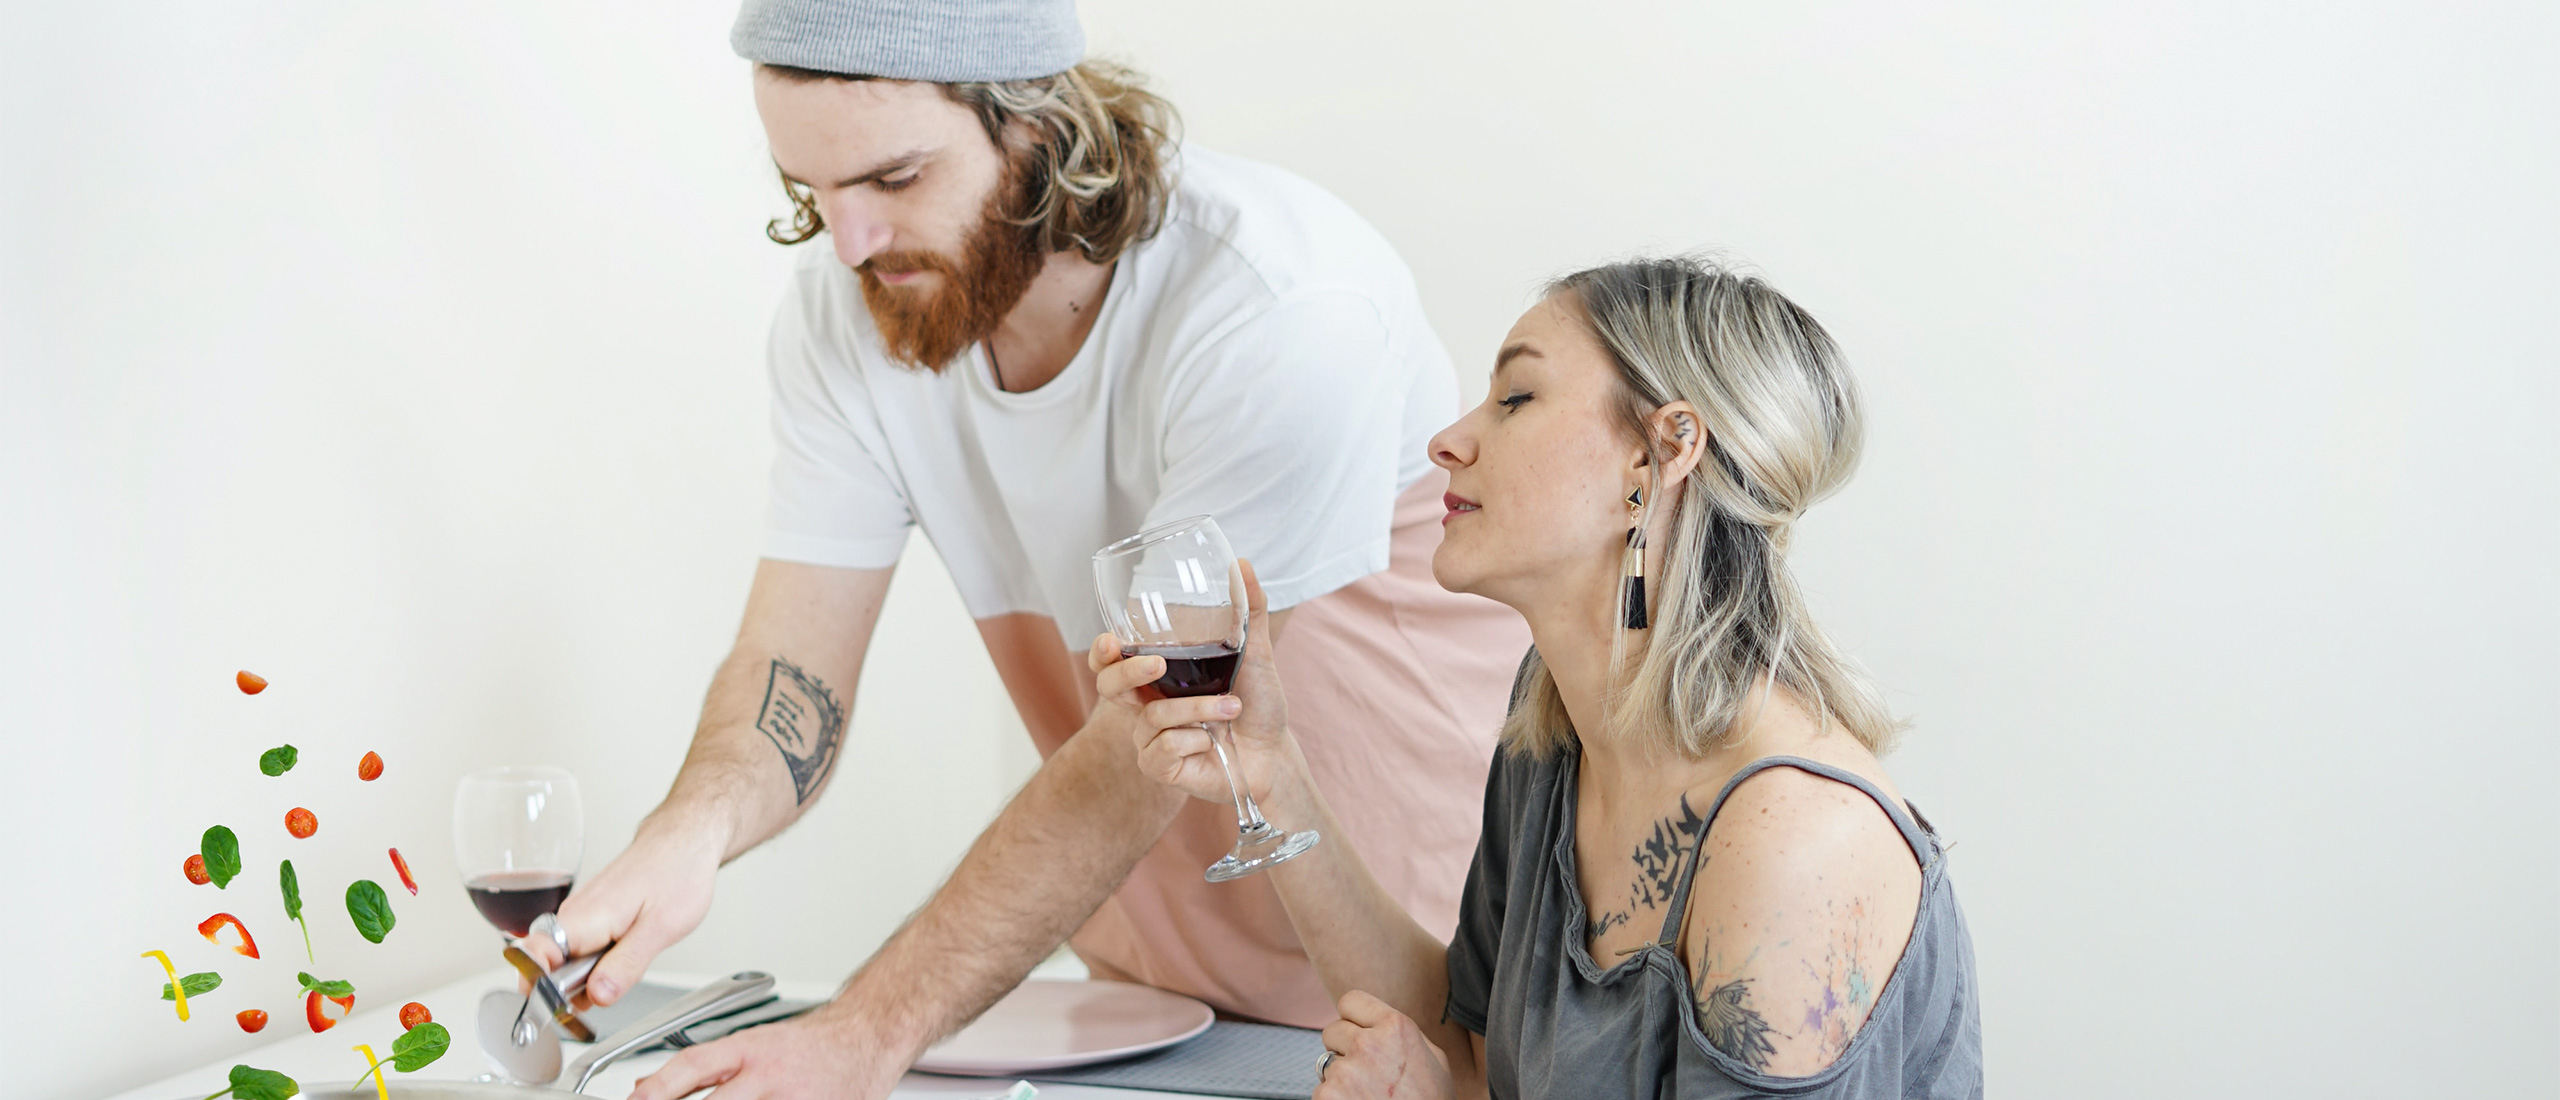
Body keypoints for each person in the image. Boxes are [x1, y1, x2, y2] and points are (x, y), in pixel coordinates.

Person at [541, 1, 1531, 1097]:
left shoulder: (1278, 303)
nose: (849, 242)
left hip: (1416, 996)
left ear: (1039, 123)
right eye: (809, 192)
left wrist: (865, 1033)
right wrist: (689, 831)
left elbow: (1155, 730)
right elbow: (795, 661)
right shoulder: (845, 315)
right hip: (1150, 1006)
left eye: (893, 178)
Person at [1106, 256, 1984, 1098]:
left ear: (1659, 452)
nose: (1447, 441)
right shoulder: (1558, 722)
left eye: (1516, 399)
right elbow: (1468, 1056)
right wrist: (1273, 772)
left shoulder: (1793, 840)